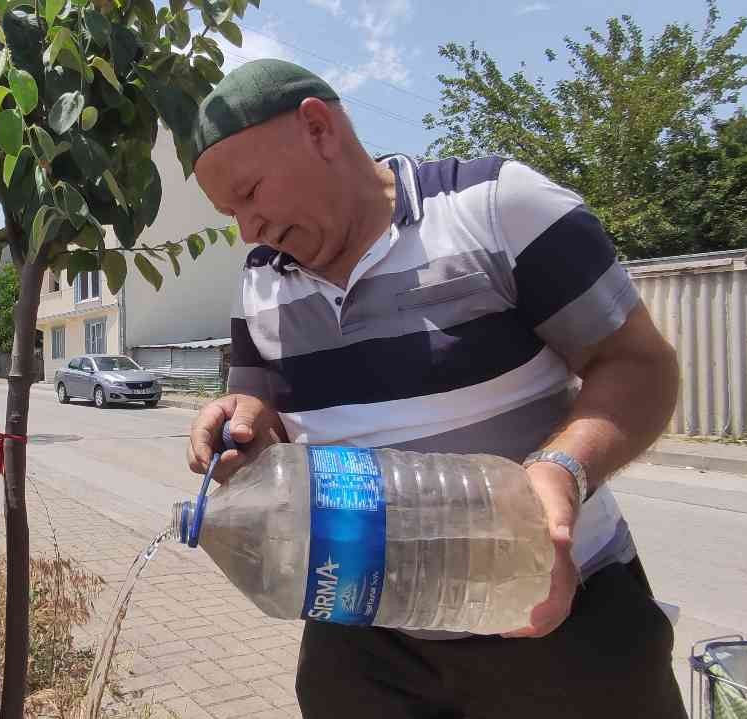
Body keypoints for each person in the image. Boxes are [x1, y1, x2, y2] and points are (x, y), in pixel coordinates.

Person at [184, 59, 686, 718]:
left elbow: (641, 365)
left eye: (251, 193)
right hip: (363, 639)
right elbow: (264, 412)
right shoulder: (261, 282)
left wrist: (564, 468)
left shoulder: (497, 207)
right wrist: (241, 423)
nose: (248, 229)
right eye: (230, 213)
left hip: (558, 617)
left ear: (318, 128)